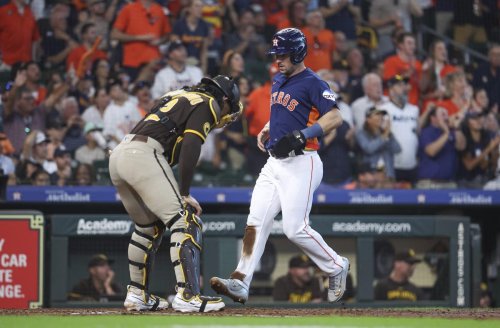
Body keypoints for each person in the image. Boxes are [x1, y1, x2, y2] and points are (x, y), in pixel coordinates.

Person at [209, 28, 350, 305]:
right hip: (274, 163)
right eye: (276, 54)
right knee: (256, 222)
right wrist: (268, 127)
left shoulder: (313, 82)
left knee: (294, 228)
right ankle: (240, 280)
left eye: (283, 54)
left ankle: (336, 265)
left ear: (297, 52)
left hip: (303, 161)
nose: (278, 60)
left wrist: (304, 134)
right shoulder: (278, 79)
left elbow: (336, 117)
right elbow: (286, 113)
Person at [108, 75, 242, 312]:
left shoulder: (176, 95)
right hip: (144, 154)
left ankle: (137, 294)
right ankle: (187, 295)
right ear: (223, 97)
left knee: (147, 228)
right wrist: (185, 192)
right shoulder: (209, 102)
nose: (227, 114)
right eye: (229, 105)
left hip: (121, 153)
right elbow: (191, 144)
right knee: (186, 219)